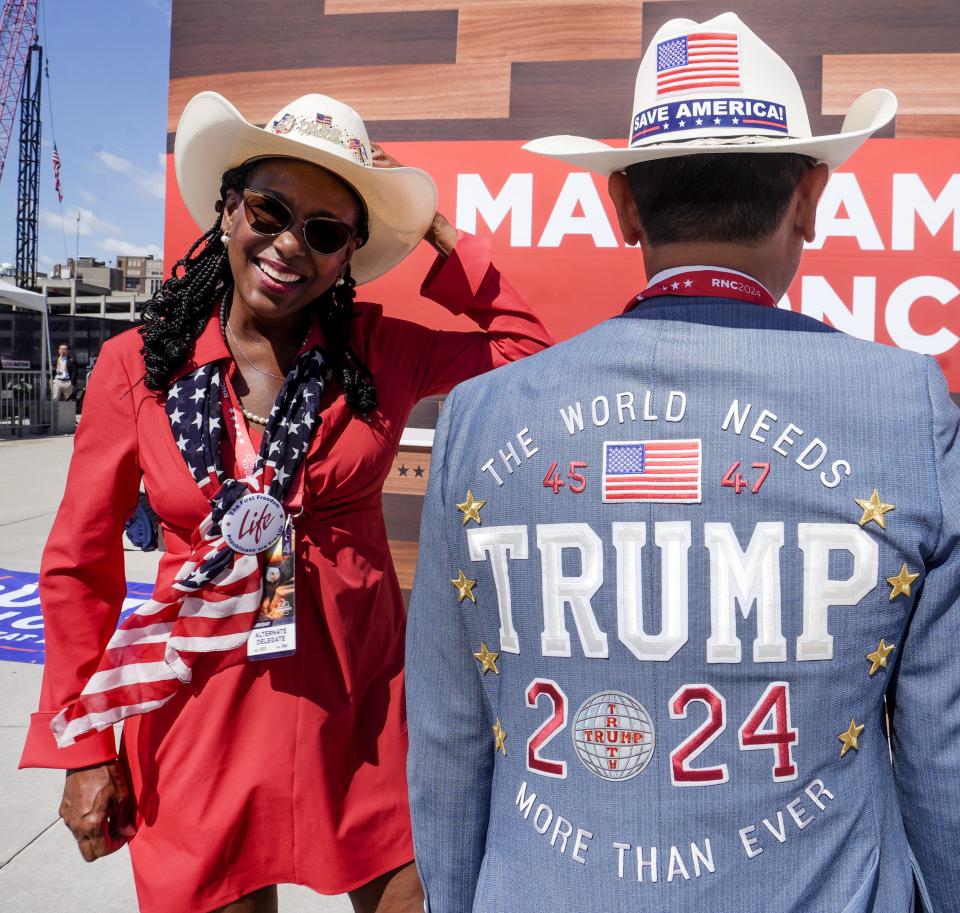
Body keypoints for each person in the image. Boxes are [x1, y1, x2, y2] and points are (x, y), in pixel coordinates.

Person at [406, 12, 959, 912]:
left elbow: (445, 741)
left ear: (621, 203)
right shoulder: (908, 405)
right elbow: (943, 754)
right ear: (811, 196)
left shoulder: (478, 418)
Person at [19, 90, 552, 913]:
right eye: (269, 209)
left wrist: (439, 236)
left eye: (326, 230)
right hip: (198, 727)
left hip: (363, 724)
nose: (289, 245)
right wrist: (85, 747)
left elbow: (528, 353)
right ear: (228, 208)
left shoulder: (380, 350)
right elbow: (78, 567)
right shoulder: (137, 365)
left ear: (348, 255)